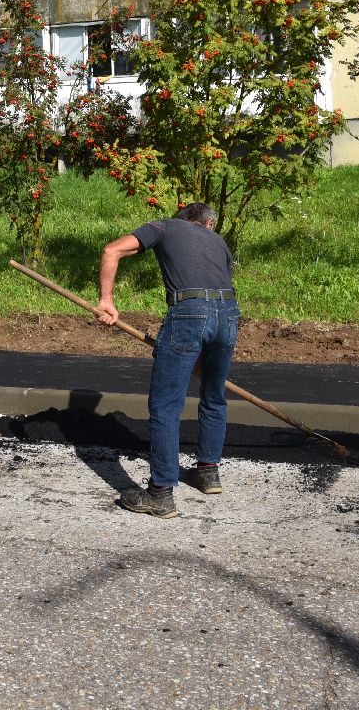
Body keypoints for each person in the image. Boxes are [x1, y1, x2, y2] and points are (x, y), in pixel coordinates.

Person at [95, 202, 238, 519]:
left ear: (183, 219)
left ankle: (160, 495)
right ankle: (208, 472)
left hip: (188, 314)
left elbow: (111, 251)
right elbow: (219, 287)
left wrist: (106, 301)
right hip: (228, 315)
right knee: (214, 396)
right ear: (209, 223)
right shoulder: (219, 242)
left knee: (166, 405)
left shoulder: (165, 226)